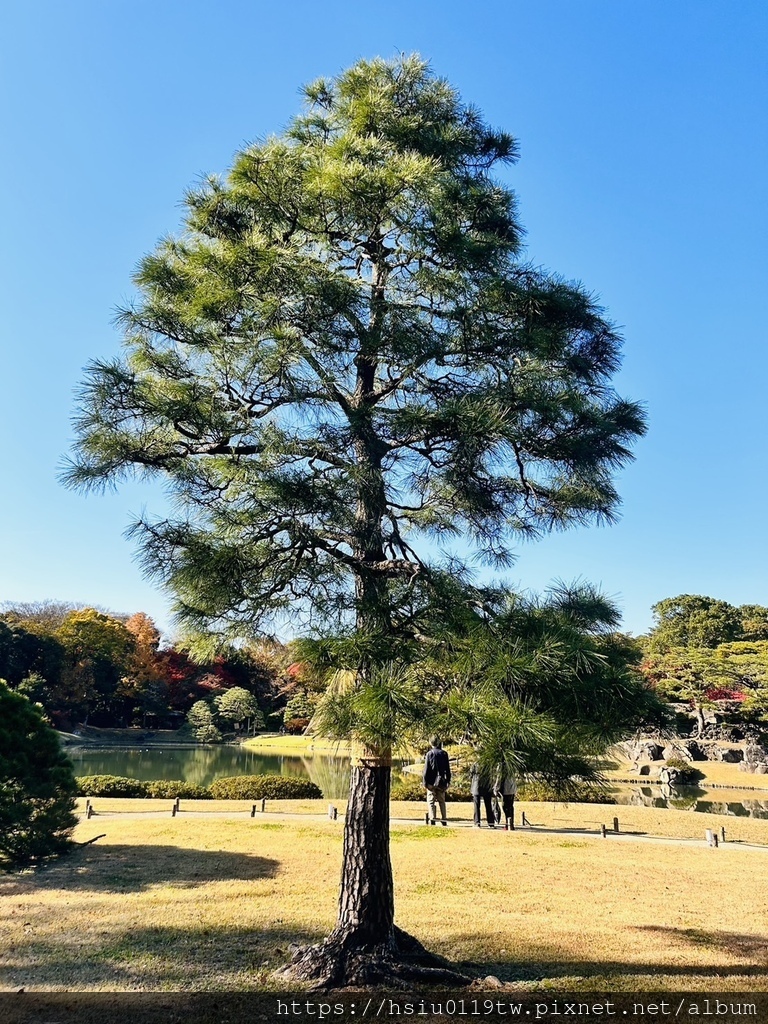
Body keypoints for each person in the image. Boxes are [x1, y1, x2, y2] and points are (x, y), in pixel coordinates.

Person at [422, 735, 451, 826]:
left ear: (430, 743)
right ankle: (444, 819)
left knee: (431, 801)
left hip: (431, 782)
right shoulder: (444, 754)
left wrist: (425, 783)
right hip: (441, 781)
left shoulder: (429, 754)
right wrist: (448, 782)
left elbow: (426, 770)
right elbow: (448, 769)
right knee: (442, 801)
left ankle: (432, 818)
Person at [470, 762, 496, 828]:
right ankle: (491, 823)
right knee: (488, 806)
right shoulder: (487, 764)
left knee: (477, 806)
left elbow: (471, 775)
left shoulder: (475, 764)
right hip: (486, 786)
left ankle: (477, 822)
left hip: (476, 786)